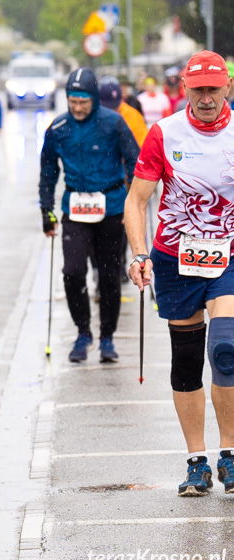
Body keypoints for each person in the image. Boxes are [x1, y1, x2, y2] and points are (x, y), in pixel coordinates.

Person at [125, 50, 234, 497]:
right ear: (184, 89)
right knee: (186, 361)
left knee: (226, 349)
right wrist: (138, 255)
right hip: (175, 258)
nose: (206, 97)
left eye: (213, 88)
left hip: (228, 255)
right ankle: (197, 461)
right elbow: (137, 201)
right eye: (198, 89)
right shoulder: (164, 133)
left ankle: (230, 454)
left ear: (227, 87)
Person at [39, 67, 139, 362]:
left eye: (83, 102)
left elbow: (135, 161)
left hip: (111, 206)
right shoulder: (58, 128)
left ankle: (107, 337)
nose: (78, 107)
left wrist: (135, 202)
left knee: (109, 276)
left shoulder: (113, 123)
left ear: (94, 99)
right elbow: (47, 172)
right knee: (72, 272)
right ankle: (83, 332)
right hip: (76, 207)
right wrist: (46, 209)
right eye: (73, 102)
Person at [99, 76, 148, 147]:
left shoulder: (133, 115)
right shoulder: (95, 115)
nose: (112, 111)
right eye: (109, 107)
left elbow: (142, 144)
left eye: (116, 107)